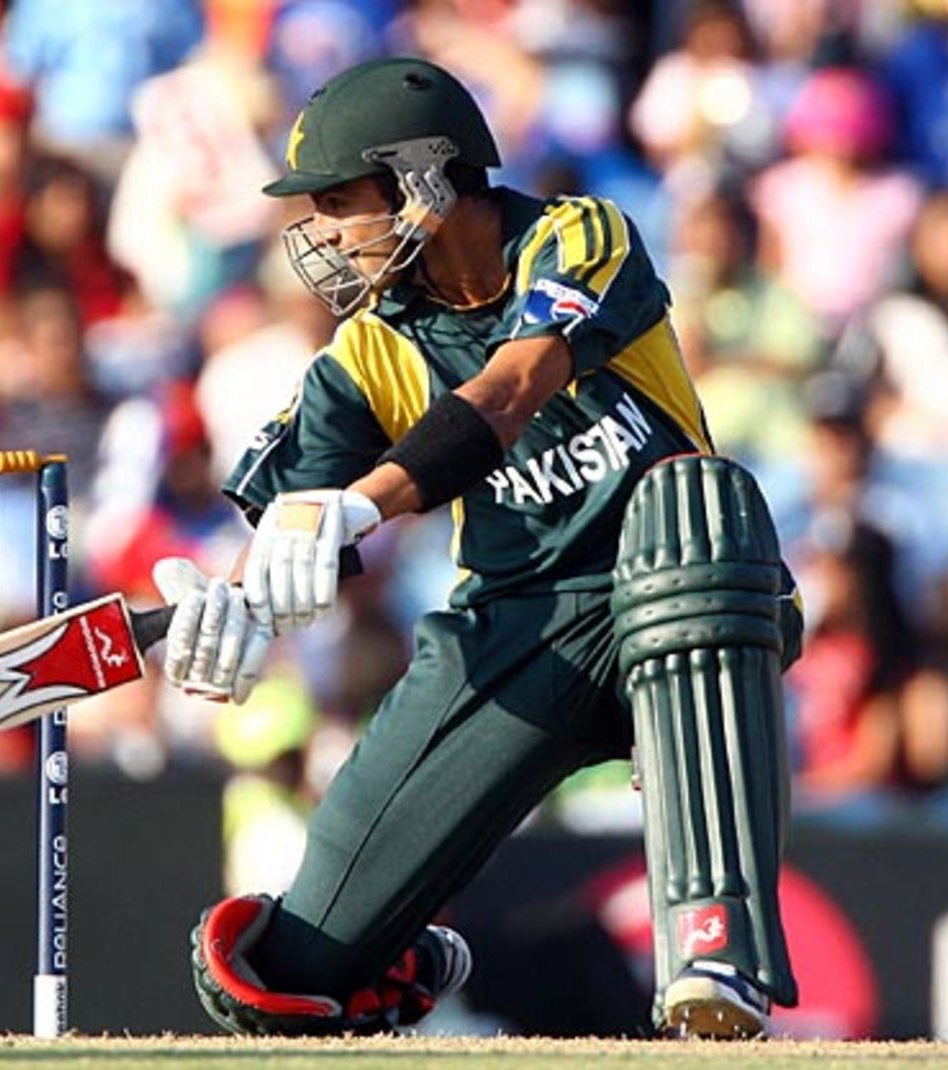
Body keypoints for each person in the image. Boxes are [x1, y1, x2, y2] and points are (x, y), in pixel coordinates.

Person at [151, 56, 804, 1040]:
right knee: (286, 974)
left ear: (422, 178)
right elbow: (289, 516)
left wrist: (360, 506)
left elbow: (508, 391)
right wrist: (236, 596)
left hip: (674, 586)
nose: (323, 233)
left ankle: (715, 948)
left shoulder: (577, 235)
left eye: (338, 202)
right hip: (516, 627)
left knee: (695, 502)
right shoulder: (369, 348)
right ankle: (396, 956)